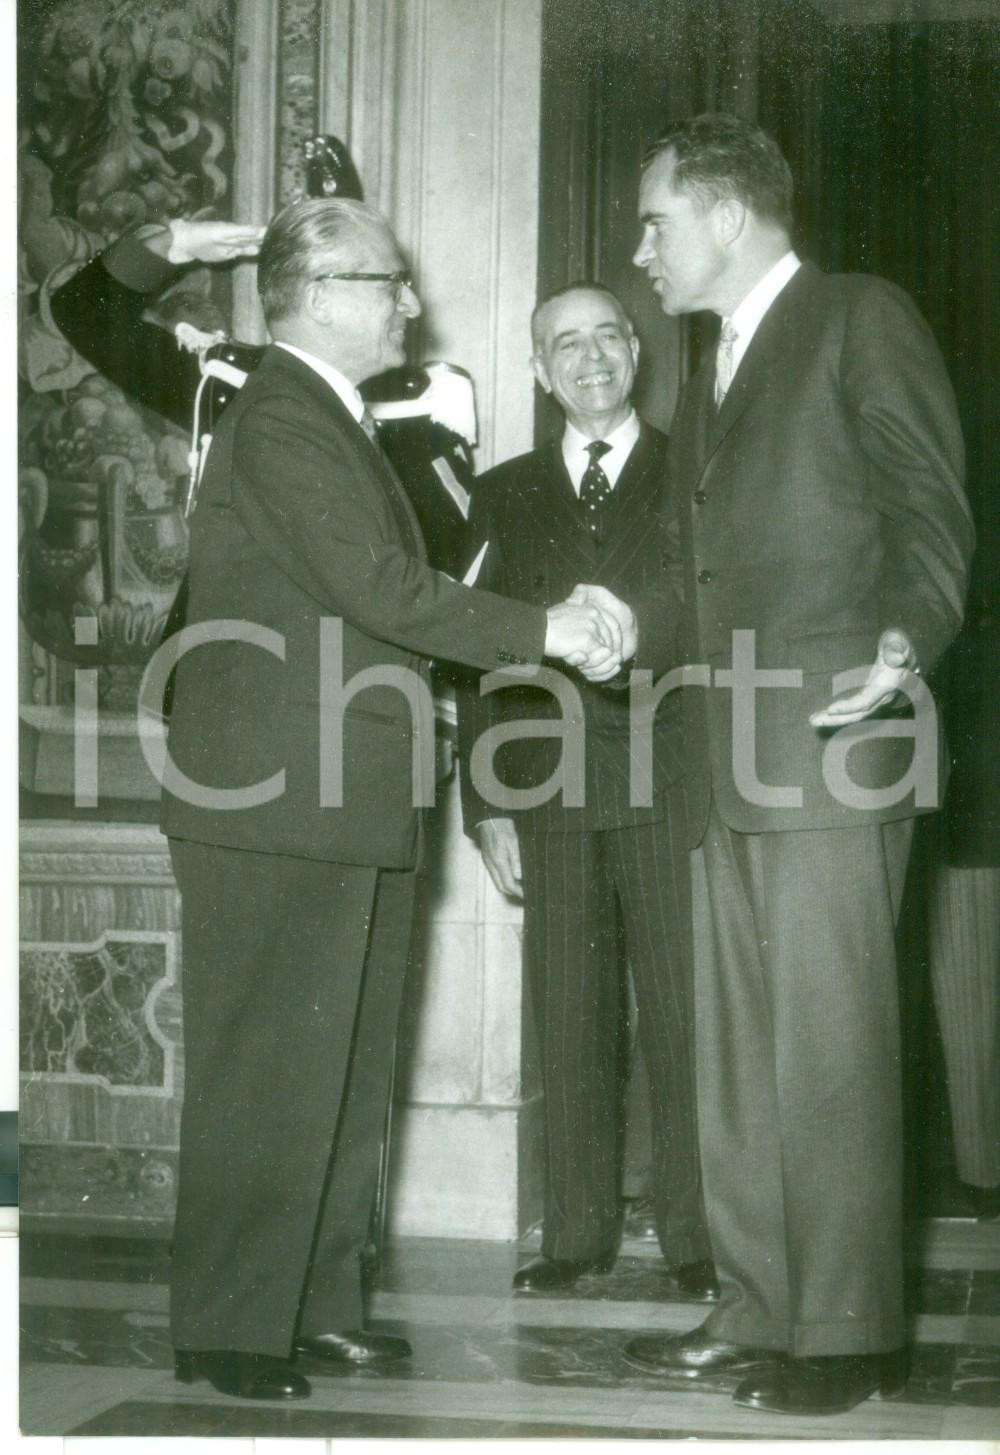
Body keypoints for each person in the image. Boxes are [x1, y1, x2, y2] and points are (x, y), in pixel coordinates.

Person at [154, 195, 630, 1402]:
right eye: (388, 284)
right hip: (276, 796)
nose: (409, 302)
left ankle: (307, 1306)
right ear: (320, 295)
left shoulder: (326, 415)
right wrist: (549, 634)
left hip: (340, 793)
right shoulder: (283, 416)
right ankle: (228, 1327)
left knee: (340, 1073)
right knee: (264, 1069)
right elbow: (377, 585)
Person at [606, 112, 974, 1416]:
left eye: (654, 220)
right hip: (731, 749)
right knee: (743, 1051)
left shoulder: (858, 316)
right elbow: (703, 569)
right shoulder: (708, 362)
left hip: (832, 736)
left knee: (827, 1053)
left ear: (724, 212)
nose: (641, 249)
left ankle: (843, 1333)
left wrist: (905, 637)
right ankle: (758, 1305)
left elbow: (932, 507)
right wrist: (612, 625)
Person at [456, 283, 715, 1300]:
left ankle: (697, 1236)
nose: (591, 356)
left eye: (609, 334)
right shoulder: (500, 491)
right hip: (547, 790)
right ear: (537, 369)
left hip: (672, 781)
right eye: (566, 343)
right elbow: (472, 651)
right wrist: (485, 804)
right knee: (567, 1015)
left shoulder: (692, 473)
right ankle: (575, 1235)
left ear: (636, 351)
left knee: (686, 1019)